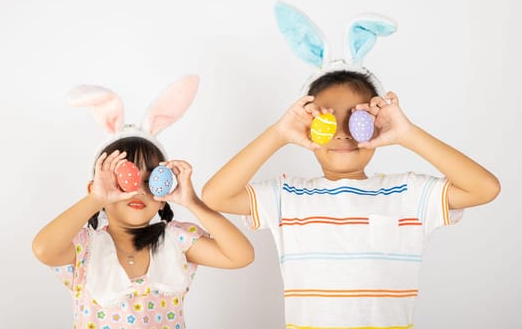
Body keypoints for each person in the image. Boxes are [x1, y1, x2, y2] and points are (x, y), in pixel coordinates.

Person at [202, 68, 500, 327]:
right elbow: (216, 196)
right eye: (328, 121)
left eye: (356, 119)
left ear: (378, 122)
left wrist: (408, 134)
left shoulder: (408, 194)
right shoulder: (288, 196)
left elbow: (485, 188)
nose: (343, 134)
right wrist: (279, 133)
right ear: (308, 127)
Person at [33, 75, 254, 329]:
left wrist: (192, 202)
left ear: (162, 199)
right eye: (125, 181)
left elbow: (241, 256)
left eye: (151, 181)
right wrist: (96, 198)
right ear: (98, 189)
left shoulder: (176, 240)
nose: (138, 190)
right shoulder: (85, 247)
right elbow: (43, 249)